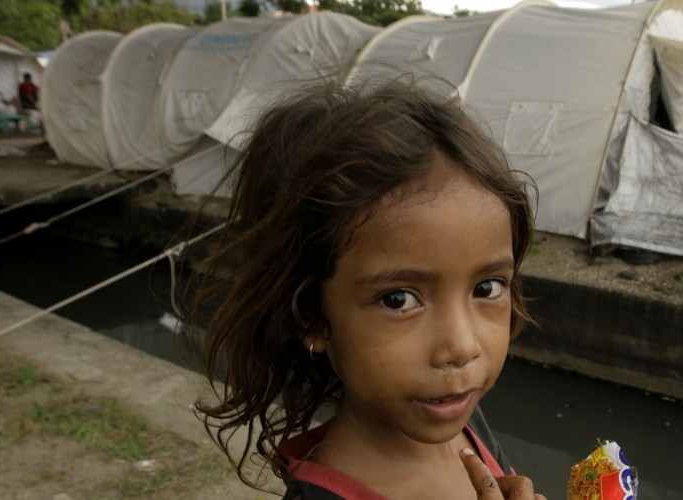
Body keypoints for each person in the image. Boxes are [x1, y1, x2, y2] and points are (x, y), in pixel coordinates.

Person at [191, 76, 543, 499]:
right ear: (312, 316)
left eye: (487, 288)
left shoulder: (467, 423)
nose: (462, 348)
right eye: (399, 299)